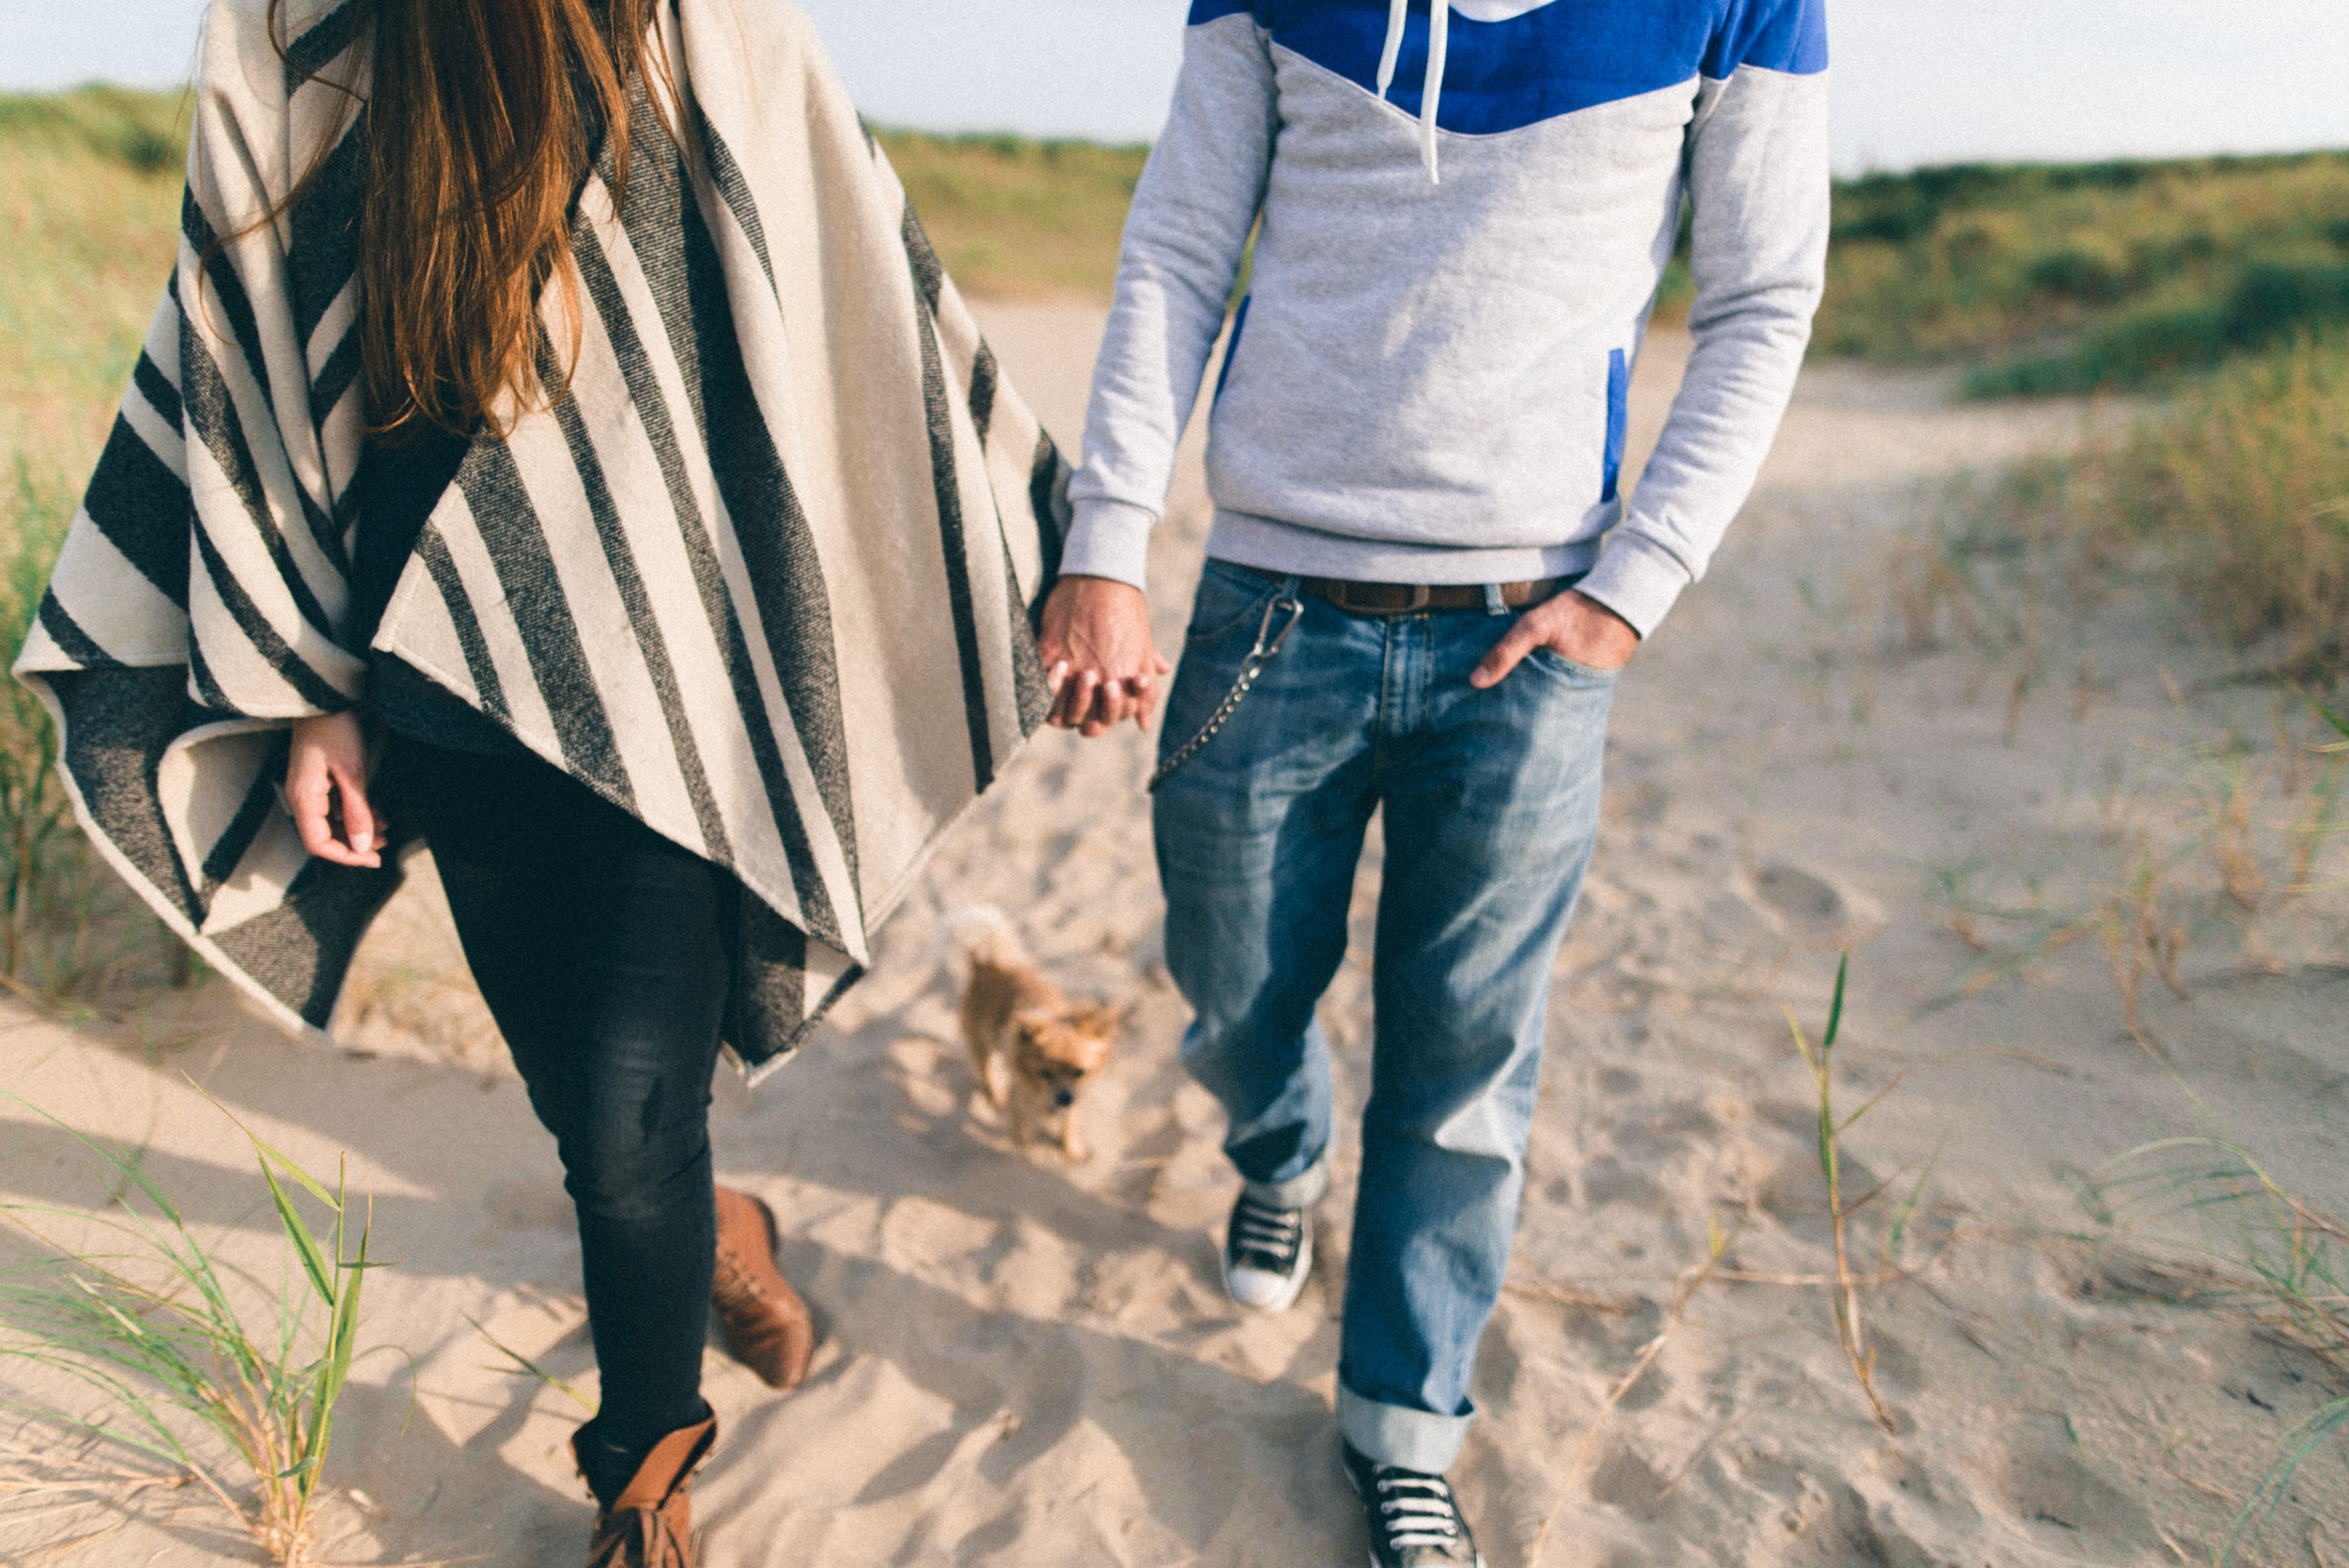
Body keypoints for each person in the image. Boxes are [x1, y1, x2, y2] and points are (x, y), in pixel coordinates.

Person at [16, 1, 1067, 1564]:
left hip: (683, 674)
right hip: (434, 667)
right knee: (595, 1106)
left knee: (635, 1100)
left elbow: (847, 298)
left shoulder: (694, 26)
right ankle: (715, 1231)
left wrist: (1063, 562)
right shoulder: (324, 36)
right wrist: (312, 695)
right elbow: (268, 365)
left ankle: (644, 1489)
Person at [1038, 1, 1829, 1561]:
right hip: (1271, 601)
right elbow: (1181, 245)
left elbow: (1762, 295)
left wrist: (1635, 583)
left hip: (1532, 635)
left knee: (1468, 1056)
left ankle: (1404, 1428)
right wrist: (1106, 536)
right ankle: (1280, 1151)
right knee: (1231, 984)